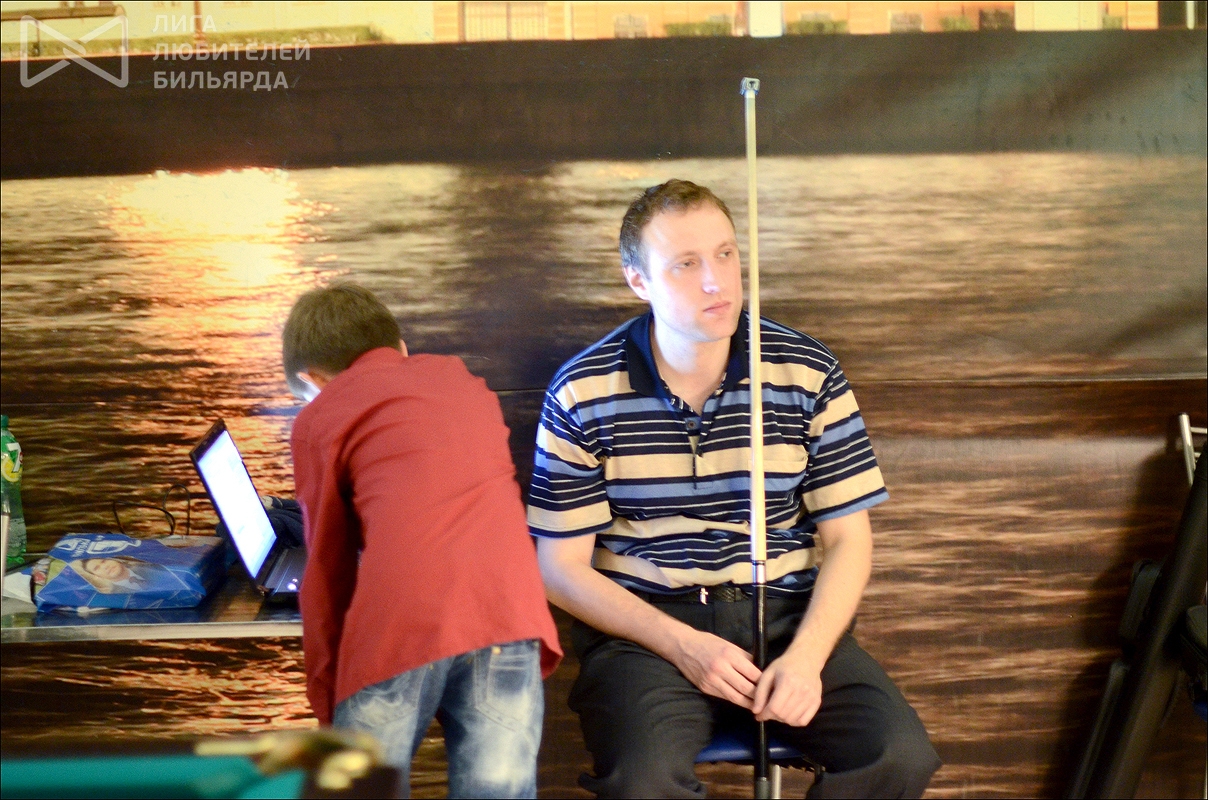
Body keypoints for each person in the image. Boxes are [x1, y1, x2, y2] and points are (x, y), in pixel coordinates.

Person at [529, 180, 940, 798]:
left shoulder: (806, 370)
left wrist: (806, 657)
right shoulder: (582, 390)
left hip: (786, 617)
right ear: (638, 281)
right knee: (642, 779)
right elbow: (558, 569)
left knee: (898, 755)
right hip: (649, 633)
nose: (715, 281)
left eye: (725, 254)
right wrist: (683, 646)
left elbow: (849, 541)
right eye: (686, 264)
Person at [283, 283, 562, 799]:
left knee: (362, 792)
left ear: (311, 380)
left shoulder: (320, 416)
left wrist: (330, 710)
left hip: (404, 621)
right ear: (401, 347)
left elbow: (327, 572)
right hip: (509, 612)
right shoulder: (464, 382)